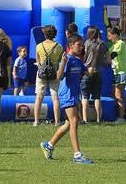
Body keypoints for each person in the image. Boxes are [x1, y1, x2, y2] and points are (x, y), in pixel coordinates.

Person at [40, 35, 93, 165]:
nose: (81, 48)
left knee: (69, 123)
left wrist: (94, 60)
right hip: (66, 94)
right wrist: (63, 63)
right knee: (74, 121)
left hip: (75, 94)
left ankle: (49, 145)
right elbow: (58, 76)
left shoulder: (77, 60)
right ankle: (77, 155)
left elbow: (88, 73)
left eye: (82, 45)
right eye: (78, 45)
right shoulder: (67, 59)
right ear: (70, 46)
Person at [34, 25, 64, 126]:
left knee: (39, 97)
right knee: (55, 97)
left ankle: (36, 121)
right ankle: (57, 121)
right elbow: (60, 60)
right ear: (55, 34)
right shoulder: (59, 47)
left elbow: (37, 60)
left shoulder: (39, 46)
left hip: (41, 73)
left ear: (44, 34)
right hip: (54, 73)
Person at [81, 27, 108, 124]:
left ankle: (85, 118)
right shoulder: (103, 44)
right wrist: (101, 61)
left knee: (85, 96)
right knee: (97, 96)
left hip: (87, 70)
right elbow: (108, 60)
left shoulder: (87, 43)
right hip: (99, 71)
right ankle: (98, 119)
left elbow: (84, 56)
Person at [108, 27, 126, 123]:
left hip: (122, 72)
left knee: (118, 95)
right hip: (117, 72)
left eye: (110, 36)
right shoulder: (114, 45)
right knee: (117, 94)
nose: (109, 38)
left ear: (115, 35)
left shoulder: (120, 44)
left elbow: (112, 56)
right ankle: (120, 114)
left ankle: (121, 117)